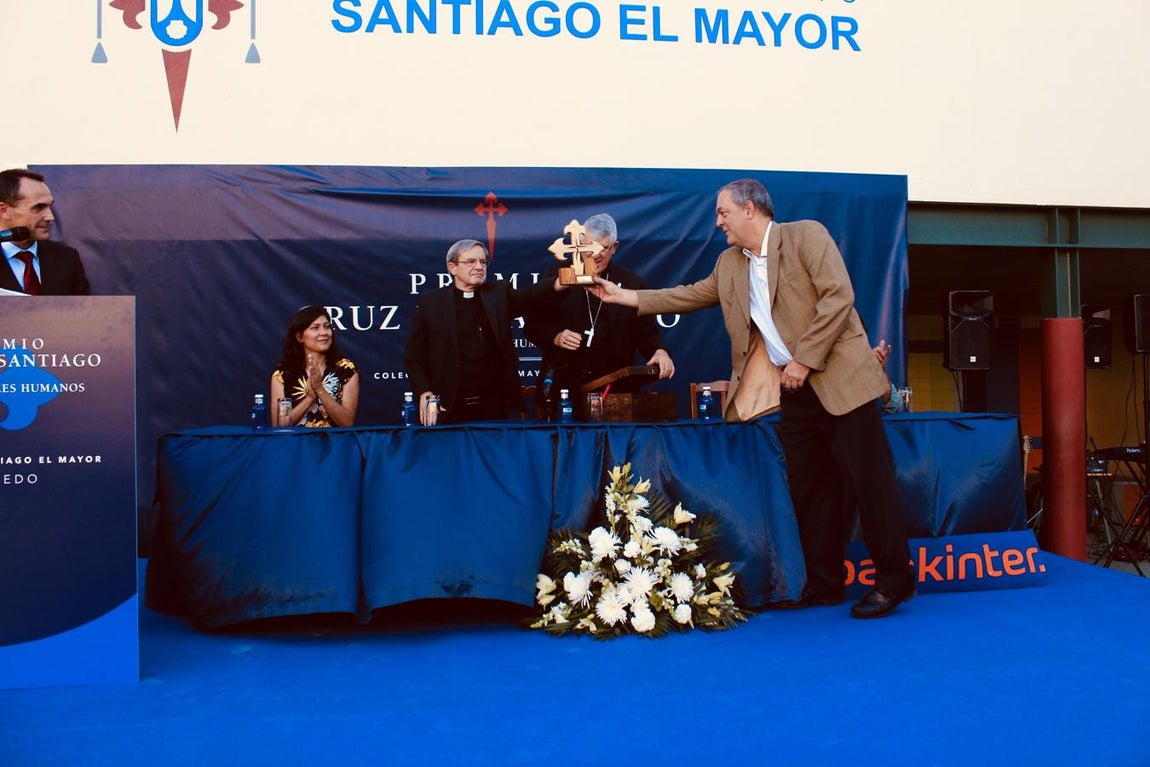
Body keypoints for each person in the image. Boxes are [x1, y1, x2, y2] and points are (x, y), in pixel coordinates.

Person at [589, 178, 915, 619]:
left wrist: (803, 360)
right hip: (797, 395)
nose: (718, 222)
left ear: (750, 209)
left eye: (723, 212)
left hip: (842, 384)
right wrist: (622, 295)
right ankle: (824, 584)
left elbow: (839, 298)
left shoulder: (806, 235)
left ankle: (895, 581)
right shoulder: (729, 264)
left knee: (870, 485)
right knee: (812, 491)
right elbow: (686, 295)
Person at [523, 213, 674, 418]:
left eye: (604, 248)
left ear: (615, 247)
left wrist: (659, 350)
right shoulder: (557, 275)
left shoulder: (631, 284)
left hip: (614, 391)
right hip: (564, 388)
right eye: (590, 247)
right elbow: (532, 326)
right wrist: (556, 337)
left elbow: (646, 332)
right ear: (580, 244)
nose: (596, 254)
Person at [404, 238, 558, 425]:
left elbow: (528, 298)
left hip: (493, 408)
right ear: (452, 267)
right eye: (471, 261)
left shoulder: (499, 294)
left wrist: (558, 284)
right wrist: (424, 392)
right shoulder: (432, 303)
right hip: (447, 408)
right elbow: (414, 357)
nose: (479, 266)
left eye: (483, 262)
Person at [0, 168, 91, 295]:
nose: (50, 217)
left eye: (49, 206)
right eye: (39, 207)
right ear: (4, 210)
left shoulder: (67, 259)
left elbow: (83, 311)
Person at [270, 305, 360, 427]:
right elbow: (279, 425)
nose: (324, 333)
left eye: (327, 327)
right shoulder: (283, 374)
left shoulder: (347, 370)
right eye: (315, 328)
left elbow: (347, 423)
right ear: (299, 337)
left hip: (335, 444)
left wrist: (320, 390)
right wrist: (310, 398)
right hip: (296, 444)